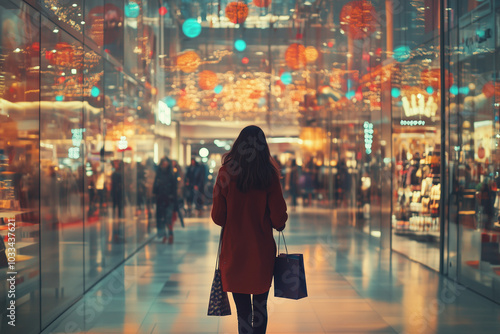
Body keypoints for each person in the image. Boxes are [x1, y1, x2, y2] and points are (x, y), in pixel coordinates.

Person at [211, 125, 287, 334]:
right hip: (261, 252)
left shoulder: (226, 173)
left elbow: (218, 217)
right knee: (260, 308)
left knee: (243, 311)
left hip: (234, 251)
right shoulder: (269, 174)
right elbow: (278, 217)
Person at [153, 157, 178, 244]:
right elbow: (155, 186)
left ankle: (170, 234)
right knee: (162, 218)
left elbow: (174, 188)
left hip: (169, 199)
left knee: (168, 218)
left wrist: (174, 200)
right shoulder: (159, 174)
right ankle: (164, 235)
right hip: (161, 199)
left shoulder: (171, 174)